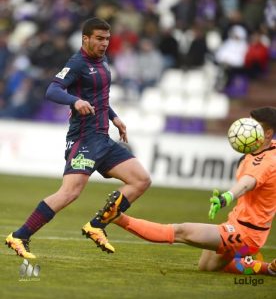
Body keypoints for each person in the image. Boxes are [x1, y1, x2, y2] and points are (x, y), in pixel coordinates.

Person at [5, 17, 151, 259]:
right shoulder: (77, 63)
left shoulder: (103, 61)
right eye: (99, 39)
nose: (104, 43)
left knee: (141, 180)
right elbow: (52, 89)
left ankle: (96, 225)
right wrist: (75, 101)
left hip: (103, 138)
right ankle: (19, 236)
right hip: (84, 139)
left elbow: (99, 96)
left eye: (107, 39)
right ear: (86, 39)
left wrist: (114, 117)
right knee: (69, 193)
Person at [112, 106, 276, 276]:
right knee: (207, 267)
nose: (245, 126)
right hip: (238, 225)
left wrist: (226, 197)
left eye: (252, 125)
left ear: (268, 133)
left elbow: (247, 183)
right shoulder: (266, 149)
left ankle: (118, 217)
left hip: (245, 233)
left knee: (181, 231)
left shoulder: (266, 162)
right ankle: (270, 268)